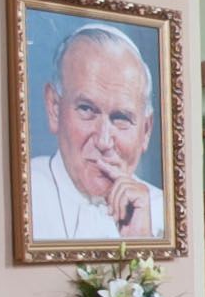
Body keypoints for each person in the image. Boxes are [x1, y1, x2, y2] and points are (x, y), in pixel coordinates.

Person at [29, 23, 163, 243]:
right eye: (86, 109)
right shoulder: (22, 192)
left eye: (121, 118)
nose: (103, 141)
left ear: (146, 131)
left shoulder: (163, 211)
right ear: (54, 108)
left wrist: (141, 239)